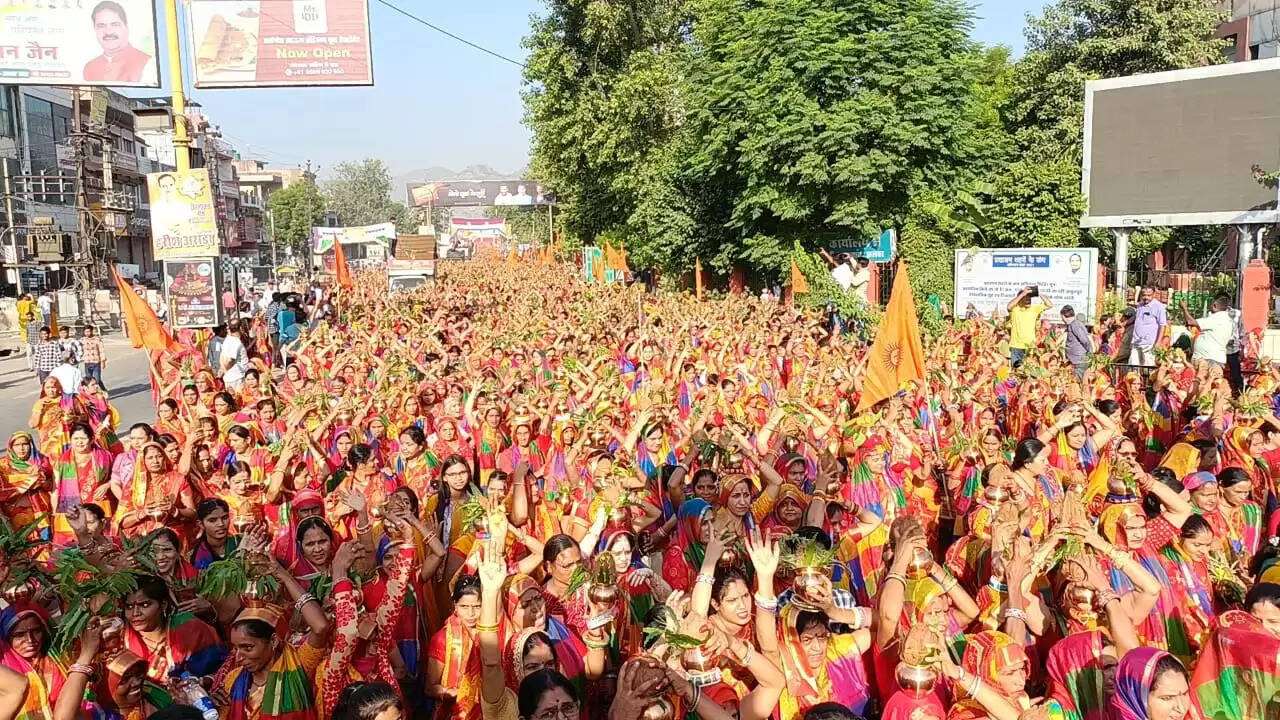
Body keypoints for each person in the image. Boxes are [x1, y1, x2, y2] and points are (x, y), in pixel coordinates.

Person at [82, 0, 157, 84]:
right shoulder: (89, 68)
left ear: (126, 27)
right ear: (95, 30)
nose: (108, 32)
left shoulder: (148, 64)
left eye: (115, 24)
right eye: (101, 26)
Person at [1179, 296, 1232, 369]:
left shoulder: (1217, 318)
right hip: (1211, 358)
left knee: (1204, 379)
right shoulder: (1226, 319)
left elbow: (1191, 321)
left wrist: (1184, 308)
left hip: (1209, 359)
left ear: (1215, 306)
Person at [1007, 286, 1051, 368]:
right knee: (1016, 371)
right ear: (1020, 299)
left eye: (1030, 298)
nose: (1029, 300)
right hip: (1016, 346)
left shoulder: (1034, 309)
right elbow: (1009, 306)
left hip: (1030, 347)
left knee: (1029, 371)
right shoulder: (1015, 309)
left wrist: (1037, 292)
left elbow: (1049, 305)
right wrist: (1023, 293)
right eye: (1026, 298)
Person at [1130, 288, 1168, 367]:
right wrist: (1124, 323)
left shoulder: (1159, 307)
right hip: (1136, 341)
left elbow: (1162, 325)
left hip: (1149, 344)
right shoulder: (1140, 304)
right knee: (1133, 368)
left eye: (1149, 295)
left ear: (1154, 295)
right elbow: (1136, 317)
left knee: (1148, 369)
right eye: (1144, 295)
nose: (1146, 297)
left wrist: (1158, 342)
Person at [1062, 305, 1093, 380]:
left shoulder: (1075, 325)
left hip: (1079, 360)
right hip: (1076, 360)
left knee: (1076, 382)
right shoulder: (1073, 324)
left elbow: (1085, 340)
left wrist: (1089, 353)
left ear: (1063, 316)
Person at [219, 319, 250, 391]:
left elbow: (223, 358)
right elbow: (230, 359)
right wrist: (225, 370)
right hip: (236, 377)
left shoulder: (228, 339)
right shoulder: (235, 342)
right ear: (241, 328)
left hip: (231, 376)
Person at [81, 325, 107, 389]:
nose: (87, 333)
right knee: (89, 380)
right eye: (86, 332)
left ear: (92, 331)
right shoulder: (82, 340)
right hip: (87, 362)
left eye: (89, 331)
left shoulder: (97, 339)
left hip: (96, 362)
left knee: (97, 379)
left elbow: (101, 350)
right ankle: (91, 393)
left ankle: (103, 390)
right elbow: (79, 350)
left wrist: (103, 361)